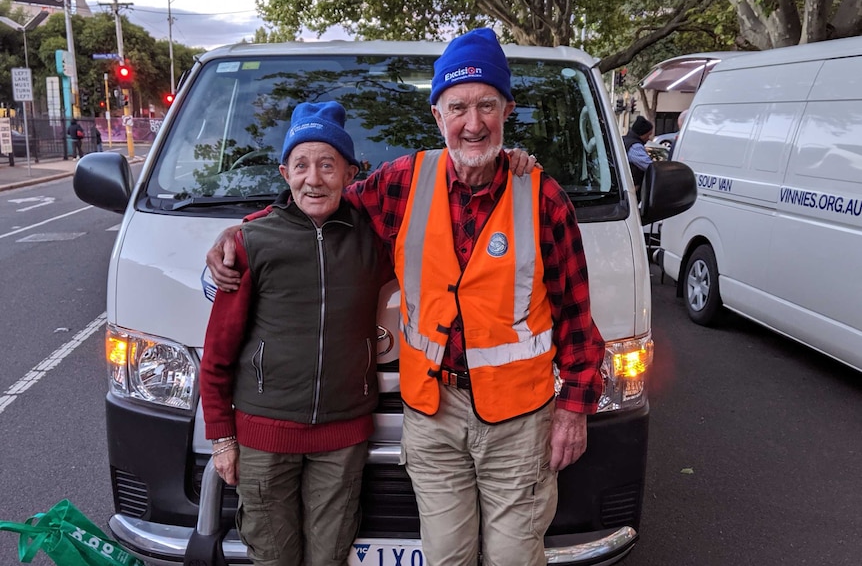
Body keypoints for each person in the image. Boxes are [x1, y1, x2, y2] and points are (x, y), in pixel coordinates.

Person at [207, 28, 605, 566]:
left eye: (486, 104)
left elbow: (576, 317)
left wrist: (575, 408)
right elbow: (317, 200)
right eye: (457, 106)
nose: (472, 122)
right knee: (446, 557)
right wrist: (240, 231)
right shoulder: (401, 182)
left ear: (507, 110)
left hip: (519, 420)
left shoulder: (544, 197)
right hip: (432, 414)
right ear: (437, 115)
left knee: (514, 557)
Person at [199, 101, 389, 566]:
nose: (314, 178)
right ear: (285, 173)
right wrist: (222, 438)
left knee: (329, 558)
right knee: (273, 558)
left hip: (343, 437)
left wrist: (513, 164)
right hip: (264, 436)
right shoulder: (250, 243)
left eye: (328, 165)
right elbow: (218, 352)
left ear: (350, 173)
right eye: (301, 165)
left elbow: (443, 196)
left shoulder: (375, 238)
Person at [623, 115, 654, 201]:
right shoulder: (635, 146)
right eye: (648, 135)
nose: (649, 138)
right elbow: (649, 166)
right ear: (641, 134)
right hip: (632, 190)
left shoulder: (625, 140)